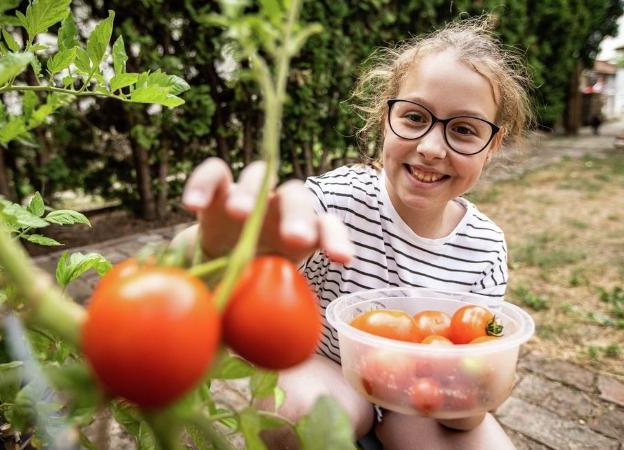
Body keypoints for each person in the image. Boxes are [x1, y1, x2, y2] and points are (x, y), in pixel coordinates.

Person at [174, 16, 532, 450]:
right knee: (298, 415)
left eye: (463, 129)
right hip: (327, 370)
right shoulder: (337, 200)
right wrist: (226, 253)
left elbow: (473, 374)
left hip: (418, 397)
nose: (432, 148)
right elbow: (267, 247)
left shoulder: (485, 247)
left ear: (492, 145)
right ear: (385, 118)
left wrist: (476, 396)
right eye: (415, 117)